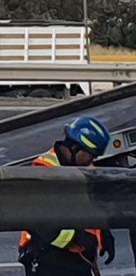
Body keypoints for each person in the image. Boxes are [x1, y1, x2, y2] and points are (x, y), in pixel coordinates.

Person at [18, 116, 115, 276]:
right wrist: (77, 237)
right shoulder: (43, 171)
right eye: (91, 154)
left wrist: (104, 234)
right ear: (76, 148)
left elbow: (89, 207)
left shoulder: (81, 167)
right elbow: (43, 223)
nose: (93, 159)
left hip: (76, 259)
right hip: (48, 256)